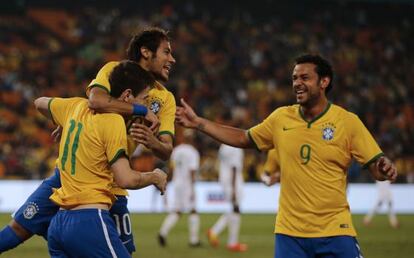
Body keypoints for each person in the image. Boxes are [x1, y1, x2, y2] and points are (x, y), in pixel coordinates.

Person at [172, 54, 398, 258]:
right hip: (289, 235)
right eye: (294, 78)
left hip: (335, 231)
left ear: (324, 82)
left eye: (305, 78)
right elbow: (244, 138)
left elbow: (376, 168)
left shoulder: (347, 122)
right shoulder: (281, 118)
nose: (297, 83)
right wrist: (199, 123)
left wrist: (384, 166)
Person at [0, 27, 176, 255]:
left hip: (113, 184)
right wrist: (141, 109)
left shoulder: (166, 99)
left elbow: (166, 149)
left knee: (122, 251)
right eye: (166, 52)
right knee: (19, 229)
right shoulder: (113, 70)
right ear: (145, 52)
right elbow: (96, 101)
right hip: (70, 178)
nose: (171, 59)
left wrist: (152, 142)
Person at [36, 60, 167, 257]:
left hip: (59, 224)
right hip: (89, 220)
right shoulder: (113, 122)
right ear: (127, 95)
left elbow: (39, 102)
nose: (146, 105)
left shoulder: (75, 106)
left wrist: (65, 123)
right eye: (144, 99)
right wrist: (155, 176)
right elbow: (126, 179)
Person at [158, 129, 201, 247]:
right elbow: (192, 172)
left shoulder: (176, 150)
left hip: (177, 184)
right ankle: (194, 240)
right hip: (187, 184)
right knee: (193, 210)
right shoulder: (193, 152)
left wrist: (168, 182)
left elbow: (171, 169)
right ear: (192, 139)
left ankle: (163, 232)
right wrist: (193, 189)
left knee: (177, 211)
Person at [207, 142, 247, 252]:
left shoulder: (223, 145)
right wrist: (234, 188)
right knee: (236, 208)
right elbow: (234, 167)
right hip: (233, 181)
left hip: (224, 179)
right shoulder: (236, 146)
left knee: (235, 209)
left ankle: (219, 234)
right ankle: (230, 241)